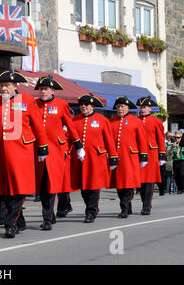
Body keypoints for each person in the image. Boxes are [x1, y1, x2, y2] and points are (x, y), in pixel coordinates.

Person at [0, 69, 49, 238]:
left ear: (15, 86)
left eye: (7, 85)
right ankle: (19, 221)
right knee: (3, 191)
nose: (4, 89)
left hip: (21, 152)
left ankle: (11, 224)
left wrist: (43, 146)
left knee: (18, 189)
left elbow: (38, 126)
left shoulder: (28, 101)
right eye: (1, 86)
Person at [34, 75, 85, 230]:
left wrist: (78, 146)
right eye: (41, 89)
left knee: (50, 184)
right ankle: (50, 215)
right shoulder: (33, 104)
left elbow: (70, 126)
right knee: (42, 187)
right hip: (37, 149)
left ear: (52, 90)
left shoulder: (61, 104)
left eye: (46, 89)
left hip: (56, 149)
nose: (43, 92)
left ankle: (47, 219)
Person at [70, 94, 118, 223]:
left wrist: (113, 156)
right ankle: (90, 207)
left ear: (92, 106)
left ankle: (91, 211)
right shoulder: (74, 121)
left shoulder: (102, 120)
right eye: (81, 104)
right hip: (80, 159)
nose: (83, 106)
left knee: (94, 186)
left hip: (96, 158)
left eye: (86, 104)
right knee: (83, 187)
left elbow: (109, 140)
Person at [109, 96, 148, 218]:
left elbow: (142, 140)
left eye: (122, 107)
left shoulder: (136, 121)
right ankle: (127, 207)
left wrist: (143, 156)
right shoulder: (112, 121)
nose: (120, 109)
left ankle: (124, 206)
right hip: (116, 156)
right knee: (119, 184)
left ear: (127, 108)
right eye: (118, 107)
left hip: (130, 157)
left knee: (129, 183)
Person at [136, 96, 166, 214]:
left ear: (150, 108)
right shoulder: (136, 120)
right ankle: (144, 203)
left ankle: (146, 206)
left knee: (149, 181)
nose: (142, 109)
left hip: (151, 155)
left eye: (144, 107)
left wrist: (162, 155)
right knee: (141, 182)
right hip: (138, 154)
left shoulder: (156, 121)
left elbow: (160, 139)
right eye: (141, 107)